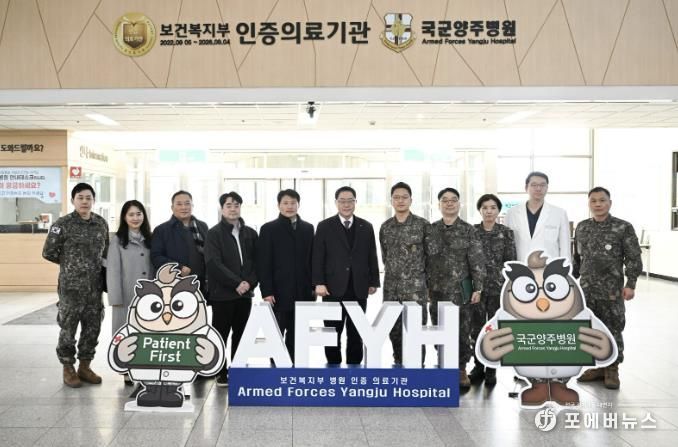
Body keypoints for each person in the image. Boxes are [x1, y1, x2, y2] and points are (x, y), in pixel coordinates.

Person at [573, 187, 642, 389]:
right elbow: (577, 258)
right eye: (593, 201)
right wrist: (571, 281)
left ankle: (612, 368)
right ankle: (598, 366)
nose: (598, 204)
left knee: (613, 327)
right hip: (587, 290)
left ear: (609, 203)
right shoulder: (582, 227)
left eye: (602, 200)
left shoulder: (623, 227)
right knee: (591, 329)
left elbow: (633, 258)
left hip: (612, 290)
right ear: (589, 204)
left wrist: (631, 284)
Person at [42, 183, 109, 388]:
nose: (84, 201)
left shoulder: (100, 223)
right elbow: (48, 252)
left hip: (94, 288)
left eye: (88, 198)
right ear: (73, 200)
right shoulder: (62, 224)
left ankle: (85, 367)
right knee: (68, 329)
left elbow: (105, 252)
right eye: (80, 197)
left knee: (93, 328)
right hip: (71, 289)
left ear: (93, 201)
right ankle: (68, 368)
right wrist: (70, 266)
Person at [312, 186, 380, 365]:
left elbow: (371, 255)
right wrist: (319, 282)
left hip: (358, 287)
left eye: (350, 201)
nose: (346, 204)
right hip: (331, 289)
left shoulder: (366, 226)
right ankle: (333, 367)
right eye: (342, 201)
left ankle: (354, 369)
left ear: (355, 202)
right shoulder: (324, 226)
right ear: (336, 203)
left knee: (356, 332)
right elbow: (318, 257)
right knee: (332, 333)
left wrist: (374, 281)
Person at [427, 188, 486, 387]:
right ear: (439, 205)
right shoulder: (431, 230)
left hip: (461, 292)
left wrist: (478, 288)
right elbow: (424, 260)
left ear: (459, 204)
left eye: (453, 200)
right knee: (439, 329)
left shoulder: (469, 230)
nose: (449, 203)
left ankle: (461, 369)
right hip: (436, 291)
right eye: (445, 200)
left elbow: (477, 261)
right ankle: (444, 365)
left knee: (462, 331)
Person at [205, 192, 258, 386]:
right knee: (221, 333)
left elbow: (257, 262)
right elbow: (213, 263)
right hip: (223, 294)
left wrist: (249, 283)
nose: (233, 209)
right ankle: (221, 371)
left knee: (241, 333)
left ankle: (238, 368)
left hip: (245, 294)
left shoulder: (250, 233)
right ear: (222, 209)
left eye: (236, 205)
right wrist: (236, 283)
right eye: (228, 205)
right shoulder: (214, 233)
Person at [257, 189, 314, 362]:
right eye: (285, 203)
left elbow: (313, 260)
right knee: (277, 331)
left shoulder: (308, 228)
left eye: (293, 203)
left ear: (298, 205)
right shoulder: (268, 229)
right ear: (278, 205)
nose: (289, 206)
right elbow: (263, 263)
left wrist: (313, 287)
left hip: (303, 291)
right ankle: (276, 366)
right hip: (278, 292)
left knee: (298, 333)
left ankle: (294, 366)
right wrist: (267, 291)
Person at [379, 182, 432, 366]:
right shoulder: (386, 227)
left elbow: (430, 258)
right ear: (391, 201)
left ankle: (418, 367)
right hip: (391, 288)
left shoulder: (423, 225)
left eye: (404, 197)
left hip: (415, 289)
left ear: (411, 200)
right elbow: (385, 256)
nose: (400, 201)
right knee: (394, 329)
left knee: (416, 329)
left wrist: (427, 286)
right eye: (396, 197)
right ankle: (399, 362)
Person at [469, 193, 516, 386]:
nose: (489, 211)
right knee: (476, 328)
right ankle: (478, 366)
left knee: (495, 328)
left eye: (493, 208)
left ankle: (491, 368)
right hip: (476, 289)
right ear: (479, 210)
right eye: (485, 208)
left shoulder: (506, 233)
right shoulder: (471, 231)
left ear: (498, 211)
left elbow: (510, 261)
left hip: (498, 288)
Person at [106, 200, 153, 384]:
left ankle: (144, 366)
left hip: (148, 296)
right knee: (125, 332)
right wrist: (115, 297)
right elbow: (113, 271)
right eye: (131, 214)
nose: (135, 218)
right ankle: (126, 369)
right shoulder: (117, 241)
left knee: (145, 332)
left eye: (139, 214)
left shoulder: (150, 238)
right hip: (125, 296)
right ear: (124, 217)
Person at [151, 190, 209, 298]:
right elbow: (156, 257)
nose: (184, 207)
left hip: (201, 284)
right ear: (172, 207)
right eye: (179, 204)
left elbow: (208, 253)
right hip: (174, 285)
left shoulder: (202, 226)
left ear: (192, 206)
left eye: (187, 203)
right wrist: (178, 267)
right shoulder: (161, 230)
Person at [504, 171, 571, 262]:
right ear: (526, 188)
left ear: (547, 188)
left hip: (548, 267)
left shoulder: (559, 213)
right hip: (520, 265)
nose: (538, 188)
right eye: (534, 185)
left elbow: (565, 248)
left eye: (542, 185)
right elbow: (506, 245)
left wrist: (565, 268)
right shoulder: (512, 213)